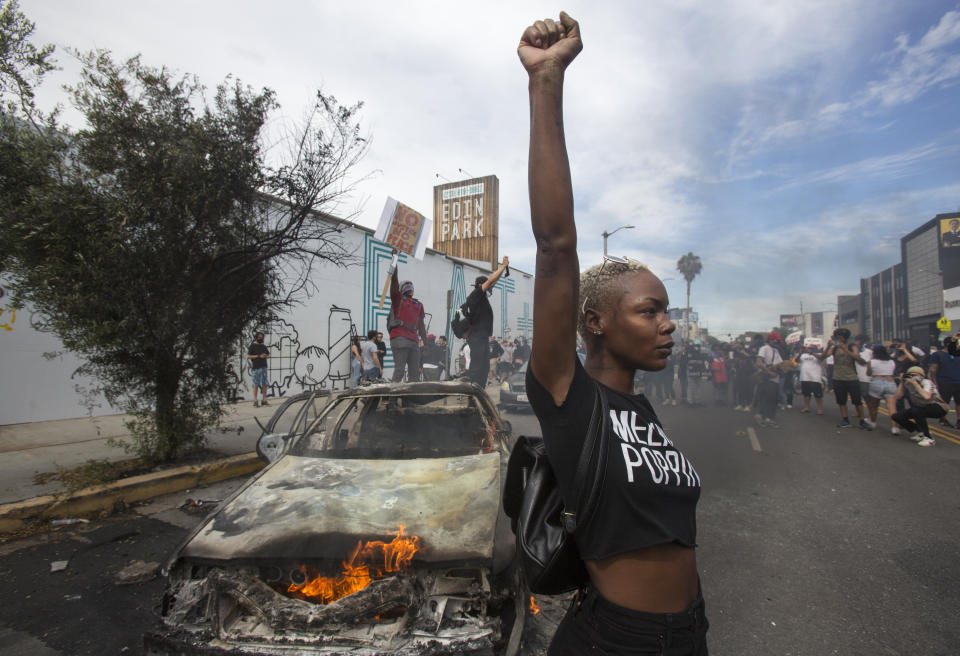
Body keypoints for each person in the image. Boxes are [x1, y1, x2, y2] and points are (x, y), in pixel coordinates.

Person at [519, 13, 707, 655]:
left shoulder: (641, 408)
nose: (668, 323)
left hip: (689, 633)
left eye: (663, 310)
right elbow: (556, 243)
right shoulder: (570, 397)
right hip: (618, 643)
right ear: (595, 322)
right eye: (649, 310)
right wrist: (546, 82)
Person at [462, 256, 510, 387]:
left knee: (484, 368)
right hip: (476, 337)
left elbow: (492, 282)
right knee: (477, 367)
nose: (491, 289)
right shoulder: (476, 295)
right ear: (481, 286)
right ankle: (472, 393)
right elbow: (490, 281)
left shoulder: (482, 298)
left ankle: (480, 391)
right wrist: (502, 266)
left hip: (483, 338)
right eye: (489, 286)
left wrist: (504, 268)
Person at [388, 254, 428, 383]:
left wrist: (425, 344)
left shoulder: (418, 304)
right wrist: (395, 260)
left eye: (410, 286)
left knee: (414, 373)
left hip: (413, 340)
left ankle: (410, 400)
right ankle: (390, 400)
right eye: (407, 285)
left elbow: (421, 326)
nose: (410, 287)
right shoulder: (398, 299)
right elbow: (394, 281)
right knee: (399, 370)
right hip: (400, 338)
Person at [823, 328, 867, 429]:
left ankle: (862, 420)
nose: (838, 339)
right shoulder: (834, 348)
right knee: (841, 401)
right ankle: (845, 419)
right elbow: (823, 356)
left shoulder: (852, 346)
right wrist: (827, 347)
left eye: (839, 337)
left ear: (844, 337)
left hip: (851, 377)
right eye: (837, 337)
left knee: (857, 401)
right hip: (838, 377)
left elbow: (860, 360)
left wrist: (846, 350)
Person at [892, 366, 946, 446]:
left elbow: (927, 396)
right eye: (910, 375)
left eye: (915, 375)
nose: (913, 377)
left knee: (916, 410)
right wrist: (902, 383)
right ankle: (921, 431)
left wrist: (915, 384)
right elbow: (897, 396)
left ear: (922, 376)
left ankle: (929, 438)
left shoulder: (927, 382)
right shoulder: (907, 384)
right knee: (897, 416)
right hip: (921, 407)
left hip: (938, 407)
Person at [928, 332, 960, 429]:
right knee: (944, 402)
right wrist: (934, 382)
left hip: (958, 382)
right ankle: (943, 419)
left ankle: (959, 420)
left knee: (959, 402)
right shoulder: (938, 355)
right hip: (944, 382)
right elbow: (933, 369)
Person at [865, 344, 898, 433]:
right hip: (890, 382)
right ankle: (894, 428)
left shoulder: (871, 362)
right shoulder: (891, 361)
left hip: (876, 381)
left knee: (874, 406)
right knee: (892, 407)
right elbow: (893, 372)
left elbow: (868, 373)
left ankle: (872, 423)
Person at [755, 333, 783, 428]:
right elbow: (759, 362)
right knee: (769, 400)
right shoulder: (764, 348)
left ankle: (765, 417)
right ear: (770, 340)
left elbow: (780, 364)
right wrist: (768, 372)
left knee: (772, 400)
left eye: (777, 340)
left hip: (775, 378)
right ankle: (766, 418)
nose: (776, 342)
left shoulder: (776, 350)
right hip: (767, 378)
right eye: (775, 340)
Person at [796, 344, 825, 415]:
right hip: (805, 377)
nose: (809, 349)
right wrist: (800, 353)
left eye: (811, 348)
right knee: (806, 394)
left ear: (815, 349)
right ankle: (806, 407)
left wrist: (812, 353)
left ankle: (820, 409)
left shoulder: (819, 354)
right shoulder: (803, 355)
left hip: (815, 377)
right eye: (808, 348)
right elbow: (796, 360)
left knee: (817, 394)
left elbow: (821, 358)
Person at [247, 331, 270, 407]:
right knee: (255, 384)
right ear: (256, 337)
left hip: (264, 366)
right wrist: (258, 356)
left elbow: (268, 354)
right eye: (259, 337)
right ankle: (255, 400)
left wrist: (265, 355)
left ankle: (264, 399)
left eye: (262, 337)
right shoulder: (252, 346)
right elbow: (249, 356)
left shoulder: (263, 346)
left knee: (264, 384)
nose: (261, 339)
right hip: (256, 367)